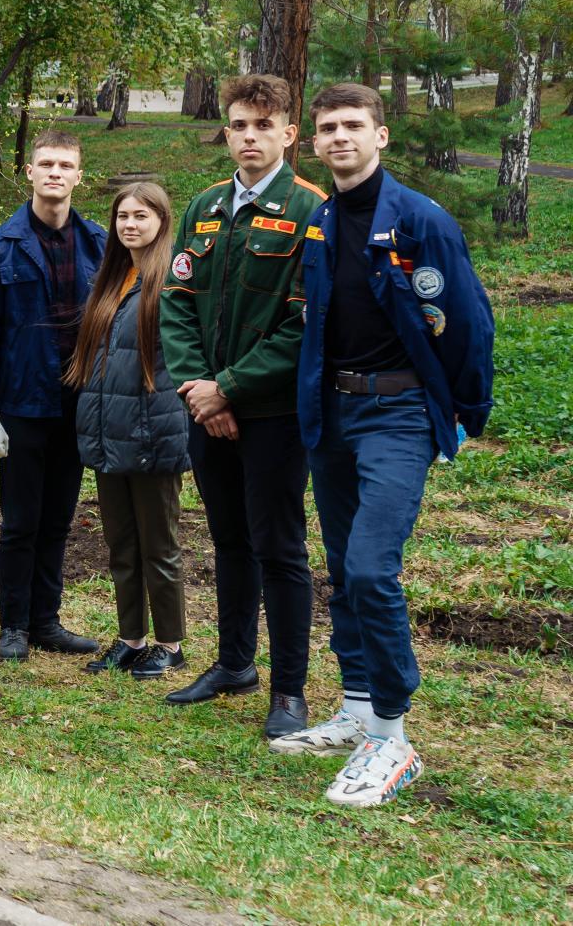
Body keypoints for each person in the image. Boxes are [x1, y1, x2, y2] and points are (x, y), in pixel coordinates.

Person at [271, 82, 494, 808]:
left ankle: (392, 739)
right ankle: (358, 707)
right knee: (342, 567)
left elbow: (468, 321)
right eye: (328, 127)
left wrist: (466, 411)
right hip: (332, 412)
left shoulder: (421, 220)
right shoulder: (321, 221)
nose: (340, 137)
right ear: (314, 142)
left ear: (380, 135)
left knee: (371, 567)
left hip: (397, 412)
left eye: (353, 125)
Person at [159, 73, 325, 739]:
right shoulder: (204, 207)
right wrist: (202, 390)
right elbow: (177, 304)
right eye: (238, 125)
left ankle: (289, 690)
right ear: (225, 133)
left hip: (274, 414)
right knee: (229, 541)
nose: (249, 137)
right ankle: (234, 665)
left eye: (264, 125)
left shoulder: (312, 210)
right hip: (206, 409)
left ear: (289, 133)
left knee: (279, 548)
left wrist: (228, 387)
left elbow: (305, 323)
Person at [0, 129, 106, 662]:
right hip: (23, 405)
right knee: (21, 522)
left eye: (64, 165)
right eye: (46, 164)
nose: (54, 173)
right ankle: (14, 626)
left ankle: (47, 622)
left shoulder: (100, 244)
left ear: (78, 176)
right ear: (29, 172)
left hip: (78, 404)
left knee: (59, 519)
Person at [64, 182, 191, 678]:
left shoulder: (173, 280)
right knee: (121, 544)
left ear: (162, 221)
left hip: (153, 433)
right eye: (122, 216)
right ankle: (131, 638)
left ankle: (170, 643)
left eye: (141, 216)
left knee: (159, 546)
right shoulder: (112, 279)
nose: (130, 225)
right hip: (108, 432)